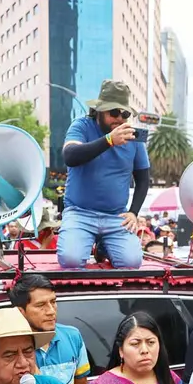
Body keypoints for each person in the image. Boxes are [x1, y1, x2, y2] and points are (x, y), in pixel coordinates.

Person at [58, 79, 150, 269]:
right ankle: (96, 243)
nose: (119, 118)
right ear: (99, 111)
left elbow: (143, 179)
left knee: (132, 263)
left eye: (124, 113)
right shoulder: (81, 126)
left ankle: (104, 247)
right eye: (114, 112)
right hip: (79, 212)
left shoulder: (133, 137)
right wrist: (109, 140)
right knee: (71, 260)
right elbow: (70, 156)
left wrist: (133, 212)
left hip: (116, 216)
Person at [9, 275, 90, 384]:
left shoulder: (72, 337)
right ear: (21, 312)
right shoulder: (9, 347)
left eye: (53, 302)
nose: (51, 311)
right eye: (41, 305)